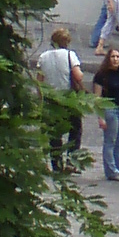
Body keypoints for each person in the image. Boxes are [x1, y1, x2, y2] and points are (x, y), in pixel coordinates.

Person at [36, 25, 84, 166]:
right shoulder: (70, 55)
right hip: (69, 98)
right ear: (67, 41)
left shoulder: (43, 57)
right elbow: (78, 76)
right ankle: (71, 160)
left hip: (51, 99)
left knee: (54, 134)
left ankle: (56, 163)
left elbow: (39, 81)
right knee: (75, 129)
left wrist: (41, 99)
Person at [91, 40, 119, 180]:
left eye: (118, 57)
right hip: (109, 110)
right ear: (108, 59)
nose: (116, 59)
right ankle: (111, 171)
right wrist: (100, 117)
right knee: (110, 141)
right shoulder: (102, 75)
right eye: (113, 57)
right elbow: (97, 98)